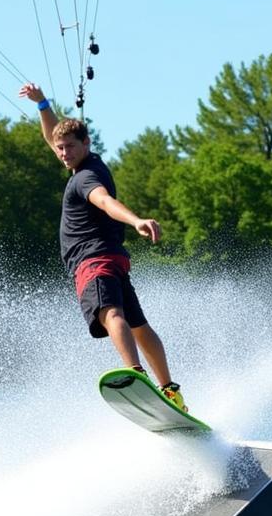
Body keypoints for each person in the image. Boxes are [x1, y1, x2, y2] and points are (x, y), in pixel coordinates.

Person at [19, 82, 187, 411]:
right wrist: (42, 106)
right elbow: (53, 135)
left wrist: (136, 220)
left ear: (86, 143)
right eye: (60, 149)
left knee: (111, 314)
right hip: (113, 258)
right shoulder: (91, 163)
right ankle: (170, 391)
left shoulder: (84, 179)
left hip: (92, 261)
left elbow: (106, 202)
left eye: (69, 147)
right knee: (138, 325)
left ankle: (135, 373)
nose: (63, 153)